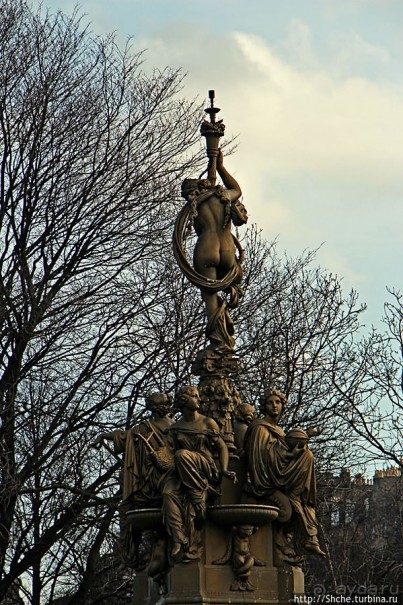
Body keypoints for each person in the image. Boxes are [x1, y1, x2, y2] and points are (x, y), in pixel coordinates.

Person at [174, 149, 247, 352]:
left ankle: (219, 339)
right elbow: (237, 189)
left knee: (209, 294)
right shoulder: (223, 196)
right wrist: (221, 167)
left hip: (207, 249)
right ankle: (225, 320)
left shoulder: (194, 203)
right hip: (228, 252)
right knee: (218, 288)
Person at [91, 392, 173, 566]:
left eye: (162, 406)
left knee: (135, 511)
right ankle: (130, 558)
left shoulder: (174, 428)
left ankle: (141, 557)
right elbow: (125, 436)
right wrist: (104, 436)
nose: (160, 410)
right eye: (156, 406)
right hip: (145, 482)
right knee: (127, 510)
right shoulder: (144, 427)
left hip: (164, 479)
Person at [244, 387, 325, 558]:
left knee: (308, 455)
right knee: (289, 509)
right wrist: (290, 454)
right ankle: (306, 533)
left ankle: (301, 501)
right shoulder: (259, 428)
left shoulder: (279, 431)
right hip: (267, 480)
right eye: (270, 402)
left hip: (281, 475)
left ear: (283, 406)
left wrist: (305, 438)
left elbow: (281, 453)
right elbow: (263, 457)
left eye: (278, 402)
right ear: (264, 406)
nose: (274, 406)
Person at [162, 385, 236, 561]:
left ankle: (197, 495)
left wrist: (224, 469)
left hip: (204, 466)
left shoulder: (207, 423)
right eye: (194, 396)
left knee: (182, 454)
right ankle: (179, 539)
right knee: (167, 492)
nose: (199, 400)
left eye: (198, 396)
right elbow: (168, 455)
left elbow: (222, 446)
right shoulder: (175, 428)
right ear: (183, 401)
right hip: (182, 471)